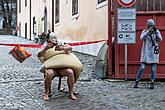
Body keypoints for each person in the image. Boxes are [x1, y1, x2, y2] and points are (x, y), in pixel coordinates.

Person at [37, 32, 81, 101]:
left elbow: (70, 48)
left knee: (70, 72)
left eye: (55, 38)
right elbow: (39, 55)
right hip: (51, 67)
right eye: (52, 38)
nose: (54, 40)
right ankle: (46, 93)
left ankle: (71, 92)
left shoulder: (60, 43)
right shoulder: (45, 45)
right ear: (48, 39)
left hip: (61, 67)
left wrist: (64, 48)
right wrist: (46, 49)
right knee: (49, 73)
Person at [133, 19, 162, 89]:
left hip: (153, 51)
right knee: (142, 67)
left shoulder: (156, 31)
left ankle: (152, 82)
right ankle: (137, 80)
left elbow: (160, 39)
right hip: (145, 51)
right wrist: (148, 32)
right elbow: (141, 38)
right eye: (151, 26)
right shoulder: (144, 31)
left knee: (153, 69)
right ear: (148, 26)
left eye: (153, 25)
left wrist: (156, 33)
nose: (152, 27)